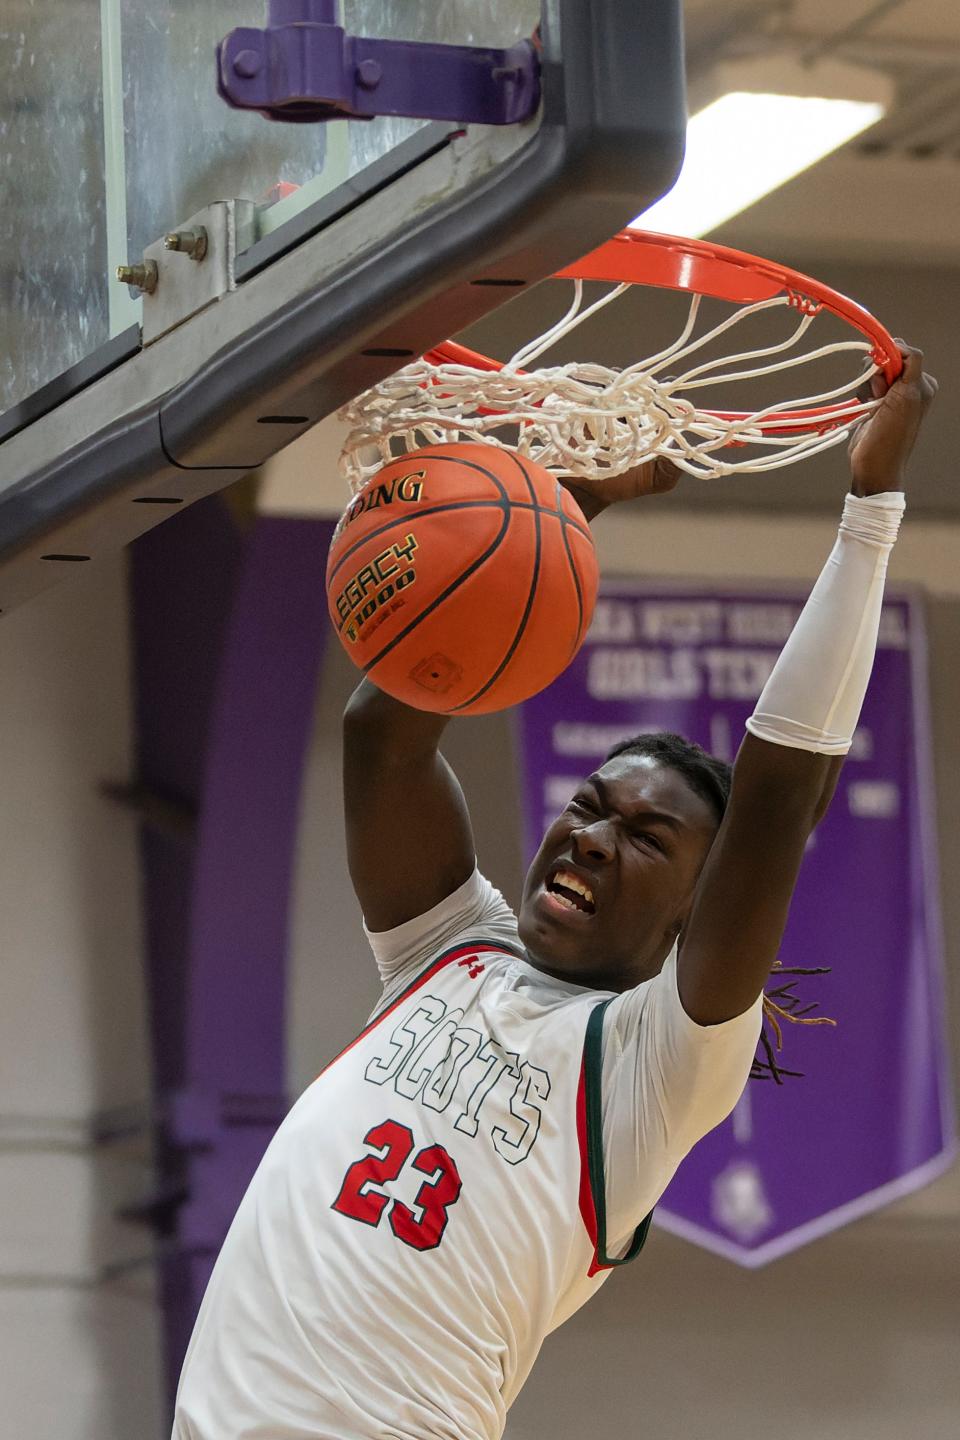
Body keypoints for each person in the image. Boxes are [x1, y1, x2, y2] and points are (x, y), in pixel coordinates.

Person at [172, 344, 936, 1440]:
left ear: (692, 912)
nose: (590, 838)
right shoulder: (449, 947)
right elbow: (380, 741)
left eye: (643, 837)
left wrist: (870, 507)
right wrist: (558, 515)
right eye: (587, 808)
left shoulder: (651, 1066)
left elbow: (773, 805)